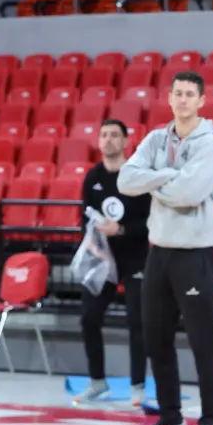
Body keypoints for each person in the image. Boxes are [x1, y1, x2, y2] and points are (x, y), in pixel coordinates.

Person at [118, 71, 213, 425]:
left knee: (202, 339)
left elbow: (190, 194)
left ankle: (211, 424)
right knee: (156, 337)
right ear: (169, 98)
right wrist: (169, 176)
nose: (182, 99)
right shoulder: (155, 139)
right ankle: (170, 420)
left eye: (189, 94)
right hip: (160, 250)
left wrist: (153, 181)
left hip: (197, 251)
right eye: (177, 93)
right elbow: (126, 181)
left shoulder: (211, 145)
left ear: (201, 100)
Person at [73, 119, 152, 407]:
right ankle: (97, 382)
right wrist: (93, 242)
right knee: (89, 318)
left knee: (137, 320)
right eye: (104, 135)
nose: (108, 140)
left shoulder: (137, 178)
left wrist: (121, 230)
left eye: (114, 135)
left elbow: (151, 222)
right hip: (103, 258)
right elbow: (84, 216)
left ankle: (137, 386)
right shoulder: (92, 177)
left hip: (134, 257)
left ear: (125, 141)